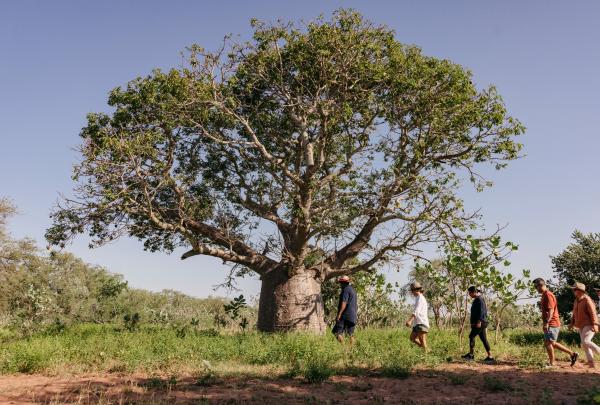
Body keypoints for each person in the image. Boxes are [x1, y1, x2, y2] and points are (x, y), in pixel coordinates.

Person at [533, 278, 578, 367]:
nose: (535, 288)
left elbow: (551, 310)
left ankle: (552, 363)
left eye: (536, 286)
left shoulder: (548, 295)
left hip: (552, 323)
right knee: (552, 343)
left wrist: (546, 322)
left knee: (548, 343)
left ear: (541, 285)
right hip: (550, 322)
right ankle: (572, 354)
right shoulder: (544, 295)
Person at [568, 282, 600, 368]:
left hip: (589, 324)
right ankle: (591, 364)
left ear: (580, 291)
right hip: (580, 325)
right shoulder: (576, 301)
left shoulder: (587, 299)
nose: (573, 291)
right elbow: (574, 313)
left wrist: (595, 324)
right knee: (584, 344)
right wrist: (571, 323)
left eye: (575, 289)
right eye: (573, 289)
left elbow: (593, 313)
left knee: (586, 341)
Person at [462, 286, 494, 362]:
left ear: (474, 292)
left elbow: (482, 311)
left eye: (470, 293)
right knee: (484, 339)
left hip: (480, 323)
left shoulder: (479, 300)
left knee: (471, 336)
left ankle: (471, 355)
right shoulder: (477, 299)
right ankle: (490, 357)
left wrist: (479, 321)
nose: (469, 294)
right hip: (480, 323)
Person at [333, 275, 357, 344]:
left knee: (336, 332)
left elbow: (344, 302)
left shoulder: (345, 289)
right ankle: (351, 350)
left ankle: (344, 348)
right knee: (350, 334)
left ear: (342, 283)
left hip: (345, 315)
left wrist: (339, 314)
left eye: (340, 283)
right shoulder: (352, 290)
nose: (340, 285)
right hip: (352, 316)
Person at [405, 282, 429, 352]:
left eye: (412, 290)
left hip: (421, 323)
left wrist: (410, 320)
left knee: (422, 340)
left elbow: (417, 311)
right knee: (412, 338)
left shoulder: (421, 298)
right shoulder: (418, 298)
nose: (412, 292)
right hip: (417, 323)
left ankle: (426, 354)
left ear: (415, 290)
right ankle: (426, 349)